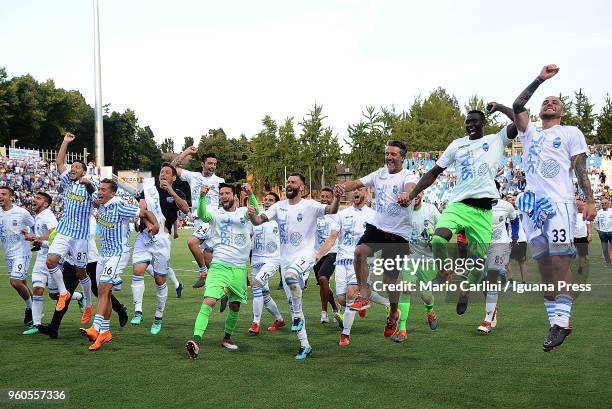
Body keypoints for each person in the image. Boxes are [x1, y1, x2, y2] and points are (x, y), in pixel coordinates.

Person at [511, 63, 596, 351]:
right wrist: (539, 79)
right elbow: (518, 103)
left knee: (561, 261)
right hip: (532, 208)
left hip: (559, 204)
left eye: (555, 102)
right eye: (547, 101)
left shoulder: (571, 131)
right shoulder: (529, 133)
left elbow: (580, 167)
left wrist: (591, 200)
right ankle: (554, 323)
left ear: (561, 113)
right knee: (544, 267)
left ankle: (563, 322)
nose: (549, 102)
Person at [407, 103, 518, 314]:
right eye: (467, 122)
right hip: (458, 205)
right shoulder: (457, 145)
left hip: (484, 212)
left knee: (477, 268)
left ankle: (465, 290)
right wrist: (413, 194)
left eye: (475, 121)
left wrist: (500, 107)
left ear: (483, 123)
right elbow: (433, 172)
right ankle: (443, 273)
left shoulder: (495, 140)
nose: (470, 125)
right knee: (439, 238)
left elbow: (520, 121)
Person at [248, 174, 342, 360]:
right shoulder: (278, 206)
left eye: (292, 182)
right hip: (285, 259)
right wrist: (252, 216)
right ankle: (304, 345)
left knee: (291, 277)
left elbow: (331, 209)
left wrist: (338, 198)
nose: (288, 185)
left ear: (301, 186)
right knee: (292, 303)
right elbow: (258, 221)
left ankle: (298, 317)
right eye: (287, 182)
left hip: (306, 255)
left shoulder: (310, 205)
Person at [340, 141, 417, 338]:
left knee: (389, 280)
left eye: (393, 154)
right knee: (359, 252)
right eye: (387, 154)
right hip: (378, 227)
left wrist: (406, 194)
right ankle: (364, 294)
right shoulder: (379, 173)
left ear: (402, 157)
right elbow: (356, 183)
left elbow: (411, 187)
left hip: (398, 234)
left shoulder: (407, 175)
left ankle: (393, 312)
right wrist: (342, 187)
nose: (389, 157)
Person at [80, 179, 158, 351]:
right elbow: (92, 191)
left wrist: (155, 225)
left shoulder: (120, 205)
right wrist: (85, 182)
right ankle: (105, 333)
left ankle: (96, 327)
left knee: (104, 289)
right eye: (99, 189)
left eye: (104, 190)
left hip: (118, 253)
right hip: (104, 254)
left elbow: (145, 213)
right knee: (102, 291)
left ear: (113, 193)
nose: (100, 192)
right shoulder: (100, 200)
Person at [185, 183, 257, 359]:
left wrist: (252, 194)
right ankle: (195, 341)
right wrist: (202, 196)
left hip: (239, 268)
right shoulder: (216, 213)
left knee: (235, 306)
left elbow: (256, 213)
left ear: (234, 196)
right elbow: (202, 214)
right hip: (219, 266)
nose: (224, 196)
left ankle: (227, 338)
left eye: (227, 193)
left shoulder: (243, 213)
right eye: (221, 194)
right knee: (209, 301)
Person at [37, 215, 129, 339]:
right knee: (65, 293)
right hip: (71, 261)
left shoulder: (89, 218)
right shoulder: (68, 216)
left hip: (90, 260)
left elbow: (85, 236)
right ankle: (54, 328)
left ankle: (120, 309)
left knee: (100, 291)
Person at [130, 163, 189, 334]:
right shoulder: (148, 189)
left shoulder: (178, 193)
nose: (163, 174)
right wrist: (150, 224)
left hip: (162, 240)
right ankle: (138, 310)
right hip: (145, 235)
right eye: (161, 172)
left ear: (173, 177)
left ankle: (158, 316)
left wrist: (171, 191)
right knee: (138, 269)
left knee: (159, 280)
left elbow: (184, 208)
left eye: (167, 173)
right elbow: (141, 208)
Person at [45, 132, 96, 324]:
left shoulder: (90, 184)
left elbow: (98, 201)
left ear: (84, 172)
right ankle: (65, 293)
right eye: (72, 166)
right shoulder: (67, 182)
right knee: (51, 262)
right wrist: (65, 142)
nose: (73, 169)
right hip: (64, 231)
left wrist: (89, 185)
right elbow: (59, 162)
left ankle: (89, 304)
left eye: (77, 167)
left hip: (80, 237)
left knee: (81, 272)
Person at [316, 186, 375, 346]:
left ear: (367, 193)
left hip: (360, 262)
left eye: (360, 190)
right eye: (354, 190)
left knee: (350, 296)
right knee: (342, 300)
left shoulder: (374, 216)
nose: (356, 192)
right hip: (342, 262)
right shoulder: (342, 214)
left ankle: (345, 335)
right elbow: (332, 237)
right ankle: (362, 301)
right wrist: (319, 254)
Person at [22, 191, 85, 334]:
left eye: (38, 198)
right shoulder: (38, 216)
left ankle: (79, 296)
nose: (34, 200)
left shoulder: (48, 215)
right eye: (34, 197)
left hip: (53, 258)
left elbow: (54, 235)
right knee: (37, 290)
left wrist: (37, 239)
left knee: (53, 295)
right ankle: (36, 325)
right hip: (40, 258)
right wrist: (35, 239)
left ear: (45, 203)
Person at [171, 148, 225, 288]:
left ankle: (203, 272)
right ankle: (222, 286)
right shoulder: (192, 176)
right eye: (209, 163)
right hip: (198, 220)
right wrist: (186, 152)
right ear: (202, 164)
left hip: (210, 219)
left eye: (214, 164)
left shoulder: (219, 181)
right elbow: (172, 168)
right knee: (208, 256)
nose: (212, 166)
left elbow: (227, 198)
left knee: (192, 242)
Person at [393, 190, 440, 343]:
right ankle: (402, 329)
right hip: (410, 259)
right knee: (406, 289)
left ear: (423, 194)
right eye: (414, 193)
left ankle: (430, 311)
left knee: (426, 296)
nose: (416, 196)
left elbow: (443, 230)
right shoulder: (403, 213)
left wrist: (434, 239)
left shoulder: (431, 210)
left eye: (419, 193)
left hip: (429, 260)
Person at [476, 191, 519, 334]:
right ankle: (492, 309)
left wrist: (515, 236)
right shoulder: (477, 205)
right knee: (483, 281)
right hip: (482, 245)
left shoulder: (506, 206)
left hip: (500, 245)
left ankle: (487, 320)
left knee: (491, 278)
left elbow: (514, 219)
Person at [248, 191, 285, 335]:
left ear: (276, 203)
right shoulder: (257, 219)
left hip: (272, 259)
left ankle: (256, 323)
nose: (267, 201)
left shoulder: (279, 218)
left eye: (271, 200)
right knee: (264, 294)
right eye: (266, 199)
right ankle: (279, 319)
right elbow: (249, 236)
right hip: (256, 259)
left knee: (256, 285)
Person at [0, 186, 35, 326]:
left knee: (15, 282)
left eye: (3, 194)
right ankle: (36, 312)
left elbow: (35, 225)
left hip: (21, 253)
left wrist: (32, 236)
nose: (0, 196)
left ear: (11, 197)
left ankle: (30, 309)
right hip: (8, 254)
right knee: (23, 283)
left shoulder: (21, 212)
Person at [313, 187, 339, 324]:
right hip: (316, 254)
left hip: (332, 252)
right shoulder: (316, 214)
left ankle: (324, 313)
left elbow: (334, 236)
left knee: (323, 278)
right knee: (323, 285)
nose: (324, 199)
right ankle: (335, 308)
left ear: (333, 198)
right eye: (322, 196)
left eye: (327, 196)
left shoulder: (336, 216)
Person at [507, 192, 529, 283]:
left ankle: (524, 281)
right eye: (510, 200)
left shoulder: (522, 211)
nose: (512, 201)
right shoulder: (507, 212)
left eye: (513, 200)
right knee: (507, 261)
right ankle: (510, 280)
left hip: (521, 239)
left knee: (522, 262)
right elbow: (507, 227)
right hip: (509, 240)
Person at [574, 197, 592, 274]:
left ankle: (580, 267)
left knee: (582, 254)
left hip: (583, 237)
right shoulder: (572, 214)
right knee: (570, 254)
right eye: (582, 205)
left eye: (583, 205)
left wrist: (590, 234)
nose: (583, 206)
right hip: (573, 237)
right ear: (577, 206)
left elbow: (588, 224)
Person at [594, 196, 612, 266]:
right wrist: (599, 231)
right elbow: (595, 222)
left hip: (611, 232)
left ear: (608, 204)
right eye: (602, 203)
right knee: (604, 249)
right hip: (603, 233)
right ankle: (608, 262)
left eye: (605, 203)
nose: (603, 204)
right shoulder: (598, 212)